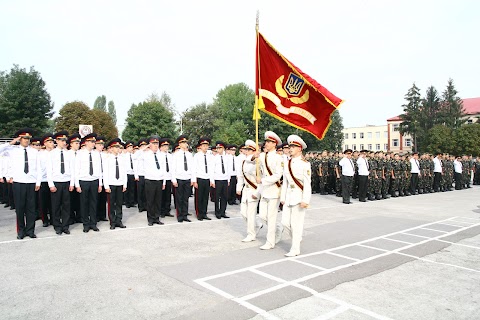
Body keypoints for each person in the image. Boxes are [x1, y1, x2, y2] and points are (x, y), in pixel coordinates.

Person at [0, 129, 42, 239]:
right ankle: (21, 231)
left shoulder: (34, 151)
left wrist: (38, 182)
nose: (26, 140)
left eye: (28, 138)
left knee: (31, 209)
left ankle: (30, 230)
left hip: (31, 183)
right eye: (24, 138)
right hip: (19, 183)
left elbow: (39, 168)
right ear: (20, 139)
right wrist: (11, 142)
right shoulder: (13, 150)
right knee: (20, 208)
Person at [280, 135, 311, 257]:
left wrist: (305, 200)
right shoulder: (287, 162)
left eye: (293, 146)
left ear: (300, 149)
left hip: (299, 196)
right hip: (288, 196)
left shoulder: (305, 164)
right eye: (290, 146)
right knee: (284, 223)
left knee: (296, 224)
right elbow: (285, 182)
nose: (290, 148)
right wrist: (283, 197)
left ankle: (295, 248)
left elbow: (307, 184)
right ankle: (297, 239)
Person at [257, 131, 284, 250]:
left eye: (269, 142)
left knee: (271, 217)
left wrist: (263, 181)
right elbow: (250, 161)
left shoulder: (279, 158)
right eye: (266, 141)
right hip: (264, 190)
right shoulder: (262, 156)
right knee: (263, 216)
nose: (266, 143)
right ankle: (278, 228)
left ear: (275, 144)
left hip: (274, 190)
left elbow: (278, 175)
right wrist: (254, 156)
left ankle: (270, 241)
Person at [47, 131, 75, 235]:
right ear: (57, 141)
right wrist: (51, 184)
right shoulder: (52, 154)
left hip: (66, 182)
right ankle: (57, 226)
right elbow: (49, 170)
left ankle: (65, 226)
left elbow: (72, 169)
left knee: (66, 205)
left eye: (65, 140)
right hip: (56, 182)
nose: (64, 142)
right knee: (56, 206)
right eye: (62, 140)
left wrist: (72, 183)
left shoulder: (69, 154)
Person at [75, 133, 103, 233]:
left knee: (94, 203)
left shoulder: (97, 154)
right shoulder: (80, 153)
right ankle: (86, 224)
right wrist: (77, 184)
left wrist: (100, 183)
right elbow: (76, 169)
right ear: (86, 142)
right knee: (84, 203)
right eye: (91, 142)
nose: (93, 143)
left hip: (94, 181)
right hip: (84, 181)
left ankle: (93, 223)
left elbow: (99, 169)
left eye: (94, 142)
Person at [236, 140, 262, 242]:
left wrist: (257, 192)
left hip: (254, 189)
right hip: (245, 189)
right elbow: (241, 176)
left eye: (249, 150)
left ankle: (251, 234)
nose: (246, 151)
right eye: (246, 149)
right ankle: (257, 225)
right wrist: (239, 188)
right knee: (243, 213)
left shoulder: (258, 162)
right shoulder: (243, 162)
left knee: (251, 214)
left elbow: (261, 179)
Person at [103, 138, 127, 229]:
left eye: (119, 147)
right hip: (111, 183)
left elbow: (124, 172)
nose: (118, 148)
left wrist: (125, 184)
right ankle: (112, 221)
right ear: (111, 148)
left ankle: (119, 220)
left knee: (119, 204)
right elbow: (105, 173)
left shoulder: (122, 159)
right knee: (111, 204)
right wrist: (106, 186)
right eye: (116, 147)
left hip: (120, 183)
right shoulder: (107, 159)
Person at [143, 135, 165, 226]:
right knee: (150, 201)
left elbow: (163, 169)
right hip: (150, 180)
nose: (156, 145)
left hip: (159, 180)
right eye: (153, 144)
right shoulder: (146, 154)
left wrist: (163, 182)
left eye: (157, 143)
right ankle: (150, 219)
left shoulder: (161, 155)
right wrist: (145, 147)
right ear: (150, 144)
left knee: (158, 201)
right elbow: (135, 156)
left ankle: (156, 218)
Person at [171, 135, 193, 223]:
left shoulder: (190, 155)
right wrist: (174, 180)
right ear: (179, 144)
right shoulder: (176, 155)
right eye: (183, 142)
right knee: (179, 198)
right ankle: (179, 216)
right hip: (179, 178)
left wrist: (192, 179)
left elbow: (192, 168)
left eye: (186, 142)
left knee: (186, 198)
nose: (185, 144)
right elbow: (173, 168)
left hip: (187, 178)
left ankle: (185, 215)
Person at [192, 137, 213, 221]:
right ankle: (199, 213)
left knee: (205, 197)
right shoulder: (197, 156)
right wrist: (194, 180)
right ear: (200, 146)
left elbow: (211, 169)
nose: (205, 147)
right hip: (199, 178)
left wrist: (211, 180)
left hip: (207, 178)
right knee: (199, 197)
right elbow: (194, 168)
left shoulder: (210, 156)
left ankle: (204, 213)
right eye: (203, 145)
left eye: (206, 145)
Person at [38, 134, 54, 227]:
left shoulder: (55, 153)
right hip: (43, 180)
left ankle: (53, 218)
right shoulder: (40, 154)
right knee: (43, 201)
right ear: (45, 143)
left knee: (53, 201)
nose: (52, 144)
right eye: (50, 142)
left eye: (52, 142)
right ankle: (45, 219)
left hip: (52, 180)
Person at [212, 141, 231, 219]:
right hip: (218, 179)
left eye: (220, 148)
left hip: (225, 179)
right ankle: (217, 212)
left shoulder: (227, 157)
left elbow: (228, 169)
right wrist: (212, 181)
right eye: (217, 148)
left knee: (224, 197)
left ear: (223, 148)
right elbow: (212, 170)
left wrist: (228, 179)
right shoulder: (214, 158)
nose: (218, 149)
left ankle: (223, 212)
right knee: (217, 197)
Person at [95, 136, 109, 222]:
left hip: (104, 177)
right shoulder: (93, 154)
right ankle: (96, 215)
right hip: (96, 177)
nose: (101, 146)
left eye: (102, 144)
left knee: (103, 198)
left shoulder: (105, 155)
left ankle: (102, 215)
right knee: (96, 197)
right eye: (99, 144)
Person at [159, 138, 174, 218]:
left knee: (168, 195)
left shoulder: (170, 156)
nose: (166, 147)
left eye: (167, 146)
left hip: (169, 177)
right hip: (162, 178)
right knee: (162, 196)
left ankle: (167, 210)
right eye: (164, 146)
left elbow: (172, 167)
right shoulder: (159, 155)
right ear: (160, 147)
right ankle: (161, 211)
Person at [133, 138, 148, 212]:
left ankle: (145, 205)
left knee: (146, 192)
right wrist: (136, 175)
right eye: (142, 145)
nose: (144, 147)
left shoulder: (148, 153)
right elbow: (135, 165)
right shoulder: (138, 153)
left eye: (145, 145)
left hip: (147, 175)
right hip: (140, 175)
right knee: (140, 191)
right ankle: (141, 206)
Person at [124, 141, 136, 208]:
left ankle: (131, 202)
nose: (131, 148)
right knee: (127, 189)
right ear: (127, 148)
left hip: (132, 173)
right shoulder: (124, 156)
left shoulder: (133, 156)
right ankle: (127, 202)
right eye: (129, 147)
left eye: (132, 147)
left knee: (132, 188)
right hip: (127, 173)